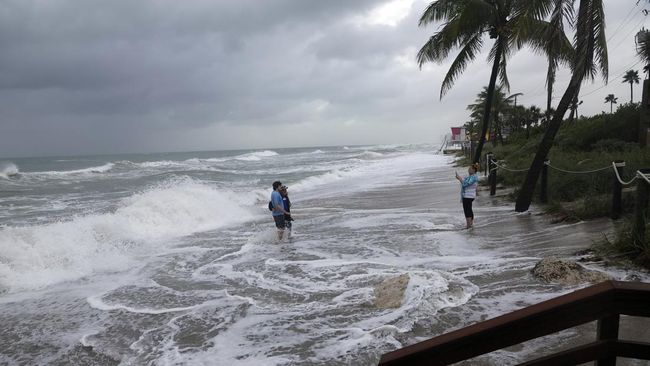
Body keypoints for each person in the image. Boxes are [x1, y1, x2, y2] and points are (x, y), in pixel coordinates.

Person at [455, 164, 479, 229]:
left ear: (474, 170)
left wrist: (459, 179)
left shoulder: (473, 177)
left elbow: (465, 184)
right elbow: (465, 181)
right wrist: (459, 178)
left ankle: (469, 225)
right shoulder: (472, 176)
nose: (468, 170)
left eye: (470, 168)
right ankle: (470, 224)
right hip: (470, 196)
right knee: (469, 209)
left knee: (467, 210)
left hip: (468, 196)